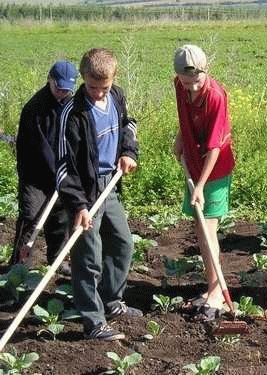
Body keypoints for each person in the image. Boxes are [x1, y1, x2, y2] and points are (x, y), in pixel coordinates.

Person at [56, 48, 141, 341]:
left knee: (122, 245)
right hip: (85, 192)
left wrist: (129, 151)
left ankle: (111, 301)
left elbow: (129, 124)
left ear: (113, 79)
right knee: (88, 258)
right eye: (92, 87)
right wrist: (78, 205)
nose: (98, 93)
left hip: (111, 185)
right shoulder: (73, 112)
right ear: (83, 78)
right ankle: (93, 322)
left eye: (103, 88)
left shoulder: (115, 97)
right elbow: (64, 166)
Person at [172, 45, 235, 321]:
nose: (192, 89)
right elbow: (184, 117)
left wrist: (200, 186)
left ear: (205, 72)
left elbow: (215, 148)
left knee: (209, 227)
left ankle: (217, 293)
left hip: (215, 169)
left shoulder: (216, 96)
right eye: (187, 83)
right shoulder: (180, 85)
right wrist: (179, 138)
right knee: (199, 227)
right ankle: (211, 286)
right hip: (193, 163)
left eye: (196, 81)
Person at [10, 61, 78, 276]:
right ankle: (19, 266)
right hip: (35, 174)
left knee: (60, 217)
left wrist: (66, 174)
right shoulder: (35, 109)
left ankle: (57, 261)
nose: (62, 93)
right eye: (59, 88)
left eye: (67, 89)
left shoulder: (73, 104)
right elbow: (42, 149)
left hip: (61, 173)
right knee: (31, 217)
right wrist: (57, 174)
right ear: (50, 80)